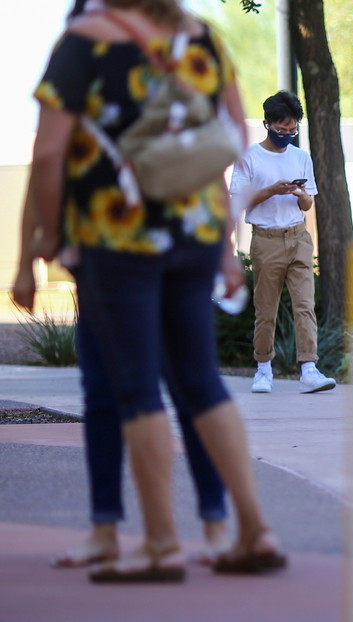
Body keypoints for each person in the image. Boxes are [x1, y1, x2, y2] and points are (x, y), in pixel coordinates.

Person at [15, 0, 286, 580]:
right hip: (195, 229)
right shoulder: (203, 38)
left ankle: (161, 544)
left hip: (117, 235)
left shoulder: (84, 41)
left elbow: (48, 152)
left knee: (137, 387)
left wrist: (47, 233)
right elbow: (233, 133)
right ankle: (252, 528)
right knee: (201, 379)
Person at [230, 91, 336, 394]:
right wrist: (271, 190)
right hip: (266, 239)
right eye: (281, 130)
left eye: (293, 130)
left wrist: (302, 196)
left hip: (298, 236)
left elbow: (308, 204)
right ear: (267, 124)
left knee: (305, 305)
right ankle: (263, 368)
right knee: (266, 309)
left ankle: (309, 367)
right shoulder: (250, 157)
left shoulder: (301, 157)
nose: (287, 135)